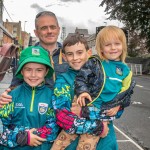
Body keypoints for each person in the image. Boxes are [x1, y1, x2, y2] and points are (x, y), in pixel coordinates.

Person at [74, 25, 136, 149]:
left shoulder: (125, 71)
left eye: (117, 44)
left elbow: (126, 93)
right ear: (101, 48)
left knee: (88, 145)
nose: (113, 48)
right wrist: (82, 92)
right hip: (89, 109)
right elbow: (81, 78)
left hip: (104, 115)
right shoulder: (95, 63)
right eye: (108, 45)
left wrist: (118, 105)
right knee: (65, 140)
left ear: (123, 45)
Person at [51, 34, 109, 150]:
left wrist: (83, 111)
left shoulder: (102, 75)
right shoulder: (63, 80)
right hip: (77, 136)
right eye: (70, 54)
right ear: (64, 56)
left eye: (79, 52)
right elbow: (61, 114)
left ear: (89, 53)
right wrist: (98, 127)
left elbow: (112, 106)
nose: (75, 58)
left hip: (104, 141)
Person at [0, 10, 69, 107]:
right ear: (36, 33)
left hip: (65, 114)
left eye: (52, 27)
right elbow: (15, 86)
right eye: (44, 28)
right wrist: (7, 96)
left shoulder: (69, 55)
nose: (49, 31)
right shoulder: (27, 57)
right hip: (35, 115)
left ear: (58, 29)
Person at [0, 46, 59, 150]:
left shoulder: (52, 97)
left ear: (46, 72)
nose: (33, 75)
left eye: (39, 70)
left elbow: (53, 128)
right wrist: (23, 137)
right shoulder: (10, 97)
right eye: (28, 69)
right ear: (21, 71)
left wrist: (32, 135)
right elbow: (2, 127)